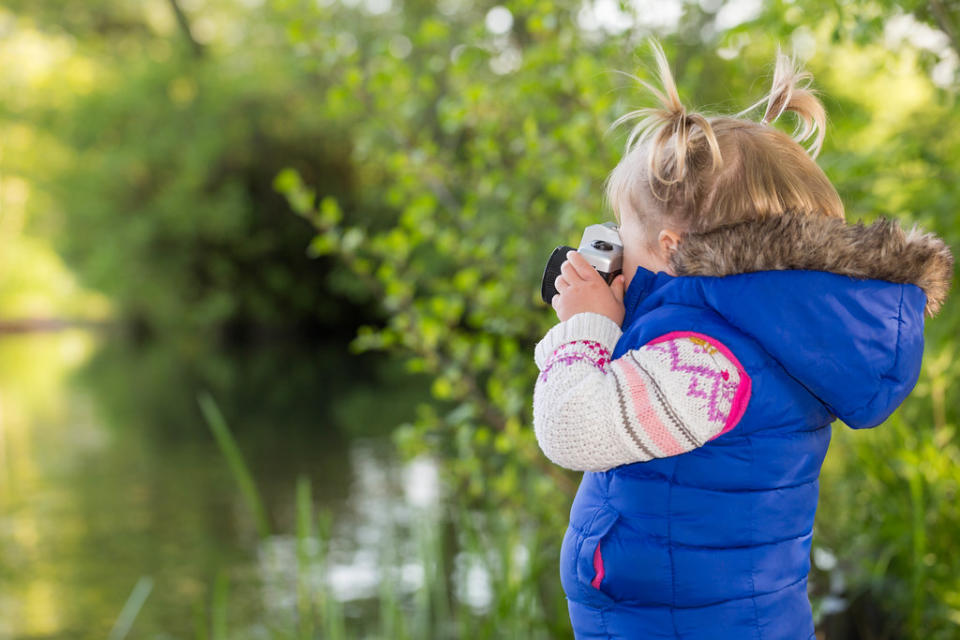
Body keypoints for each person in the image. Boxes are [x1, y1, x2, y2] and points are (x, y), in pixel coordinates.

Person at [532, 39, 954, 640]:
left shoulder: (706, 362)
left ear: (673, 249)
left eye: (625, 235)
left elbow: (571, 429)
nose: (616, 250)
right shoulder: (755, 335)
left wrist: (585, 325)